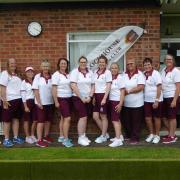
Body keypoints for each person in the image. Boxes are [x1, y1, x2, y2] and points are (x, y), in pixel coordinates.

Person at [0, 58, 24, 147]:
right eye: (11, 63)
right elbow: (2, 88)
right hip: (8, 101)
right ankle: (6, 139)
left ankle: (15, 137)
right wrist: (4, 100)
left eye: (14, 63)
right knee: (7, 121)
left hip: (18, 100)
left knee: (16, 119)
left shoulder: (16, 75)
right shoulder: (5, 74)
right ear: (8, 64)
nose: (13, 64)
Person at [70, 56, 94, 146]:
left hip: (88, 99)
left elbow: (93, 85)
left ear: (86, 63)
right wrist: (82, 97)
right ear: (79, 63)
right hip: (78, 98)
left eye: (84, 62)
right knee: (82, 117)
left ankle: (83, 136)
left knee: (85, 117)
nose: (83, 63)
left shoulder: (90, 72)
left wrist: (90, 97)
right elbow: (73, 85)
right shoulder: (75, 72)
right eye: (81, 62)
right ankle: (80, 137)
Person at [122, 58, 145, 144]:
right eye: (128, 64)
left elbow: (141, 87)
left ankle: (135, 138)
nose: (129, 65)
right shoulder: (124, 74)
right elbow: (122, 86)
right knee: (127, 121)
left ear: (135, 64)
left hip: (137, 103)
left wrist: (129, 91)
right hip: (126, 103)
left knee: (136, 121)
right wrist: (124, 92)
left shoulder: (139, 74)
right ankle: (128, 135)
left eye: (131, 63)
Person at [52, 58, 73, 147]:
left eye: (65, 63)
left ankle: (61, 136)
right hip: (61, 98)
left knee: (63, 118)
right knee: (67, 118)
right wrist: (56, 101)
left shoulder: (68, 74)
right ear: (59, 64)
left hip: (69, 98)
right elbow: (54, 88)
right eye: (62, 63)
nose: (63, 65)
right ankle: (66, 139)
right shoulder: (56, 75)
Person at [32, 60, 54, 147]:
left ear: (49, 67)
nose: (46, 68)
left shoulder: (51, 77)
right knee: (41, 121)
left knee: (48, 121)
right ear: (41, 67)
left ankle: (46, 136)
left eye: (47, 66)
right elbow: (35, 90)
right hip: (40, 104)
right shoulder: (37, 77)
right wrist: (39, 102)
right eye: (44, 66)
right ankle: (39, 140)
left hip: (50, 103)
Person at [143, 58, 163, 144]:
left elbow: (159, 87)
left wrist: (156, 100)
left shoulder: (156, 74)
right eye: (145, 65)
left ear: (151, 65)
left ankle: (157, 135)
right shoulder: (144, 74)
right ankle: (151, 134)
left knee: (156, 118)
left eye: (148, 64)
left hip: (156, 100)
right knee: (148, 118)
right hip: (146, 100)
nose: (147, 66)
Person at [93, 55, 112, 144]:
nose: (101, 63)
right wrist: (93, 97)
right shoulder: (95, 72)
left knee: (103, 117)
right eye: (100, 62)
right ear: (98, 63)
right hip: (96, 96)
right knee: (95, 116)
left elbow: (108, 86)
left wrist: (104, 98)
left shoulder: (107, 72)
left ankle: (103, 136)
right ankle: (106, 133)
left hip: (103, 96)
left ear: (106, 63)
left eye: (103, 62)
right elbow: (94, 85)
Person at [161, 54, 180, 144]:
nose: (168, 61)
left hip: (172, 97)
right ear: (164, 61)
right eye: (166, 59)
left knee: (172, 117)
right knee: (164, 117)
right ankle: (170, 134)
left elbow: (178, 87)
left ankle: (172, 136)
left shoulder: (176, 71)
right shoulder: (163, 70)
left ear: (173, 61)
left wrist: (175, 100)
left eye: (170, 59)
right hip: (164, 97)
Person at [108, 63, 125, 147]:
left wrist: (120, 104)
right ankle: (120, 136)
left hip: (117, 101)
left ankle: (118, 140)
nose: (113, 69)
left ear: (118, 69)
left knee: (115, 120)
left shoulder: (120, 78)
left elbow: (122, 91)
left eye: (115, 68)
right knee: (117, 119)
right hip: (111, 101)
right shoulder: (110, 78)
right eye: (112, 68)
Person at [21, 66, 37, 144]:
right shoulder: (24, 82)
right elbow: (23, 95)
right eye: (28, 72)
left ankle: (32, 135)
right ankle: (27, 137)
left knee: (35, 120)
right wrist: (25, 106)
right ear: (26, 73)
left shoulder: (35, 81)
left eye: (31, 71)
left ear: (33, 73)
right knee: (27, 120)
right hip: (27, 102)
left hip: (35, 102)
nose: (30, 73)